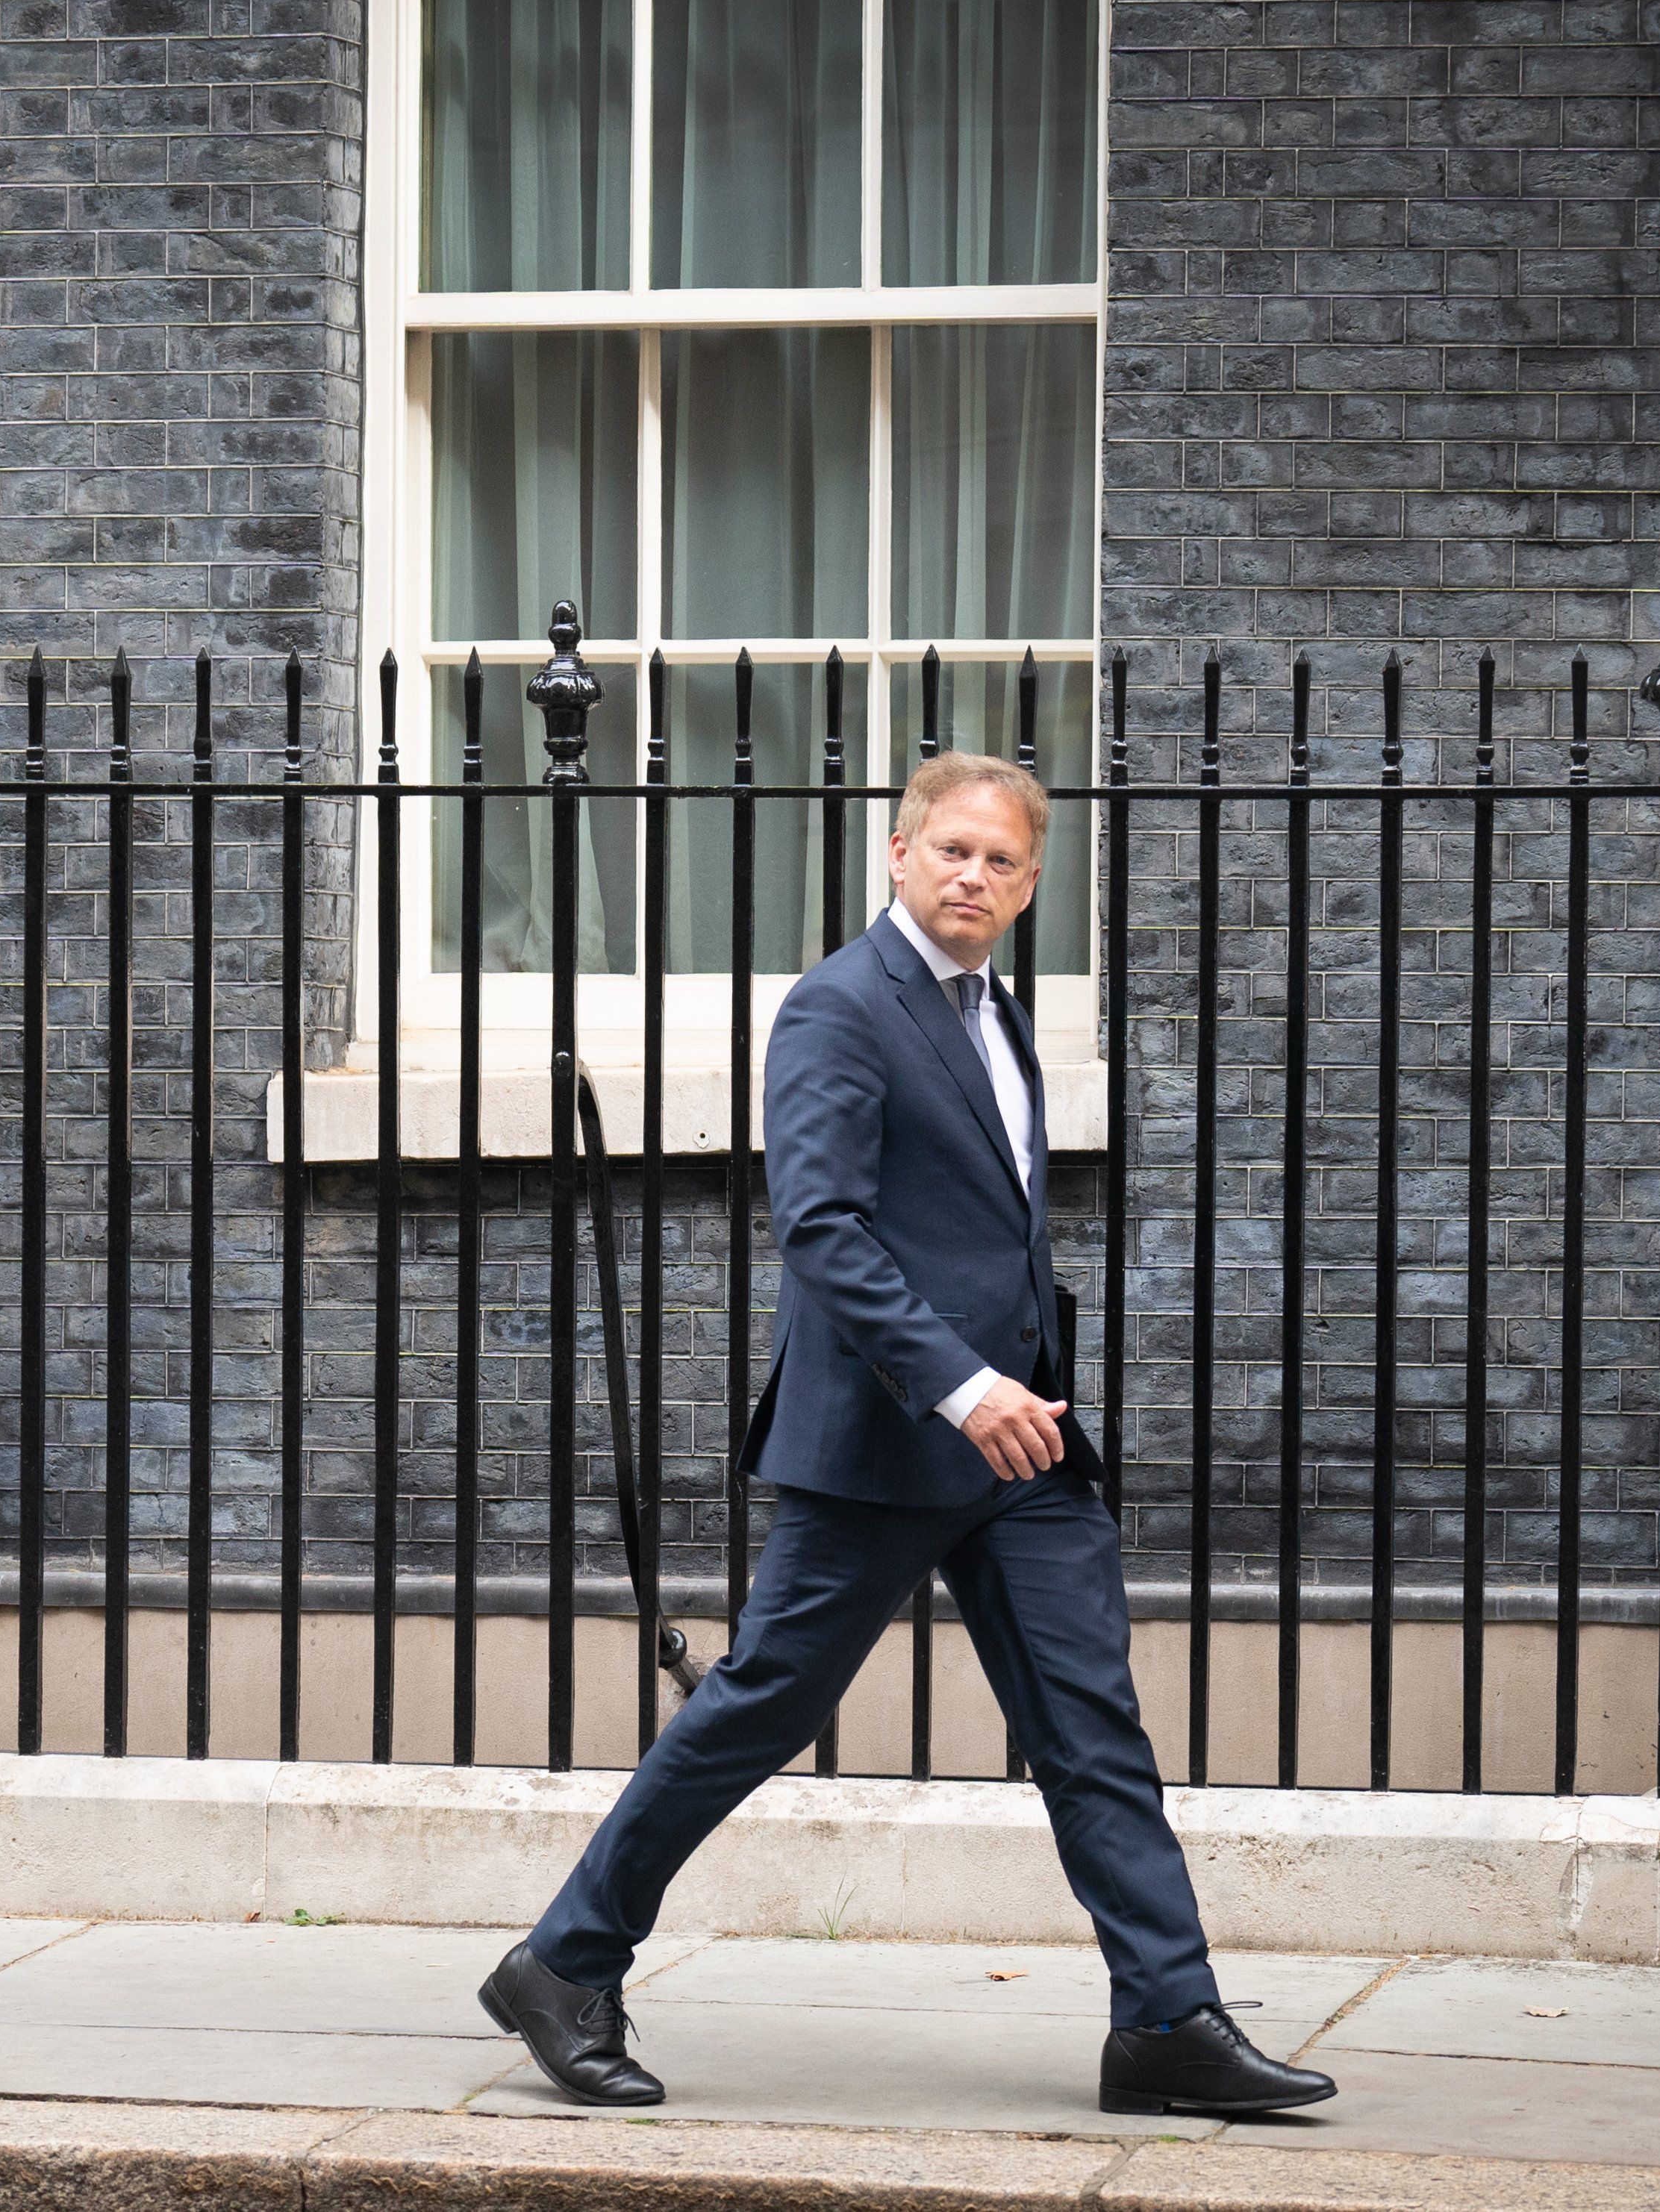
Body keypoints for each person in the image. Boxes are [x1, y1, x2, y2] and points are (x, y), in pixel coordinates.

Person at [478, 752, 1338, 2122]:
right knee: (760, 1705)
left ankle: (1168, 2018)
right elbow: (821, 1224)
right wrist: (958, 1385)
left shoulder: (999, 1015)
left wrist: (1021, 1389)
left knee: (1090, 1725)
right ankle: (562, 1962)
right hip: (888, 1440)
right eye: (949, 850)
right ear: (896, 854)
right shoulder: (839, 1005)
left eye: (1000, 861)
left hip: (1022, 1444)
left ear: (1032, 879)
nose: (971, 877)